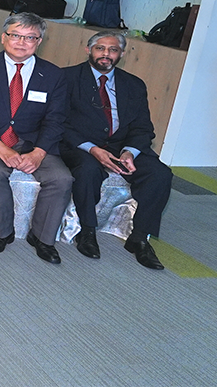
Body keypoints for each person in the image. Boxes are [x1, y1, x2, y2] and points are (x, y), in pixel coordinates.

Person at [0, 12, 72, 265]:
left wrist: (39, 152)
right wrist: (1, 148)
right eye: (15, 35)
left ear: (39, 41)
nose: (21, 42)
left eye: (30, 37)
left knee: (62, 178)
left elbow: (56, 119)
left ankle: (43, 238)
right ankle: (2, 233)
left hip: (34, 141)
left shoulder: (53, 75)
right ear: (3, 37)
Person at [60, 33, 171, 270]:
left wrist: (130, 152)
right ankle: (87, 231)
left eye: (113, 50)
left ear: (121, 54)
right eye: (100, 48)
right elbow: (59, 123)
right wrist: (93, 150)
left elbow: (143, 127)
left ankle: (139, 237)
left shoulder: (134, 84)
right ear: (88, 50)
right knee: (88, 170)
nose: (106, 54)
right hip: (81, 145)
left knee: (160, 174)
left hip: (122, 147)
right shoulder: (66, 78)